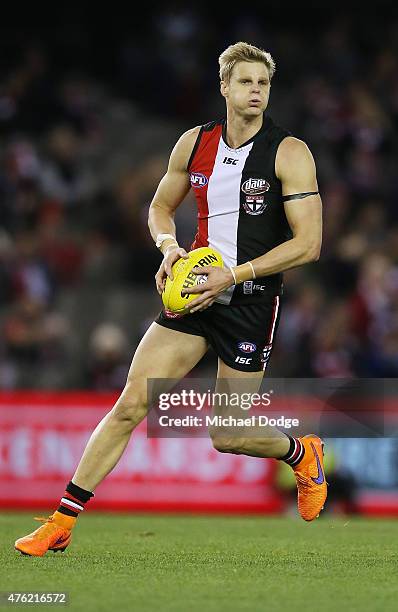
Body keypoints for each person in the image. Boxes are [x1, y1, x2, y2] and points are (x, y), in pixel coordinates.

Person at [15, 41, 326, 557]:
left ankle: (301, 452)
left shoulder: (289, 152)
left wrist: (234, 275)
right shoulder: (194, 143)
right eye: (245, 82)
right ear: (224, 86)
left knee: (228, 435)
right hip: (194, 297)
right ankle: (62, 520)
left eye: (263, 83)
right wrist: (169, 248)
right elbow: (160, 208)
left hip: (249, 300)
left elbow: (309, 244)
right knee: (130, 404)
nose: (255, 91)